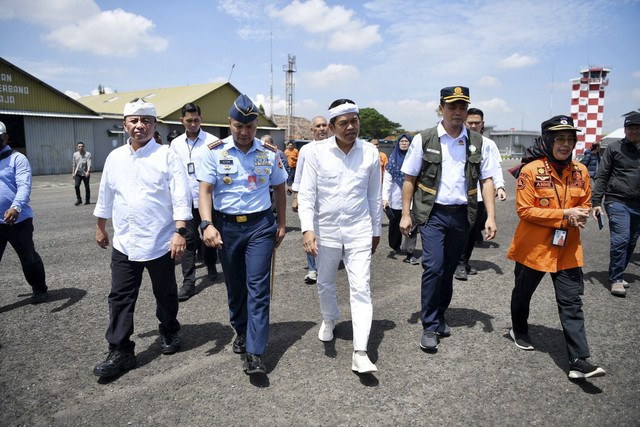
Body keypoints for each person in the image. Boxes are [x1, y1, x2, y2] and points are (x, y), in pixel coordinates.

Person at [92, 99, 192, 379]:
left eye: (146, 121)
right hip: (125, 241)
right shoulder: (115, 158)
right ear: (124, 125)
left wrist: (179, 231)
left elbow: (181, 195)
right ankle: (121, 350)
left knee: (165, 293)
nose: (140, 126)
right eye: (134, 121)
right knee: (120, 297)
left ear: (154, 125)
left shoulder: (166, 155)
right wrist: (101, 226)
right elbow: (106, 195)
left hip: (161, 240)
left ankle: (169, 329)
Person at [399, 86, 499, 351]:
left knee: (449, 268)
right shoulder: (425, 139)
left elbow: (486, 180)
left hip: (462, 216)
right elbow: (409, 179)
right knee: (433, 266)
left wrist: (490, 216)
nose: (458, 112)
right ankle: (429, 325)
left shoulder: (478, 142)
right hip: (432, 214)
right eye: (452, 107)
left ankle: (440, 314)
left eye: (462, 107)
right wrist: (406, 214)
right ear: (441, 108)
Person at [507, 115, 605, 380]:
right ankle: (518, 328)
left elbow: (584, 202)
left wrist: (580, 214)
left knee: (571, 302)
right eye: (560, 139)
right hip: (534, 249)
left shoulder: (581, 171)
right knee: (522, 293)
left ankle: (578, 361)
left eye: (570, 139)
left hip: (568, 250)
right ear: (548, 140)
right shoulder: (531, 170)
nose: (565, 144)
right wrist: (565, 214)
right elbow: (524, 210)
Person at [197, 94, 287, 375]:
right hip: (225, 227)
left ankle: (255, 351)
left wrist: (281, 224)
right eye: (238, 127)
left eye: (249, 127)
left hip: (260, 226)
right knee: (235, 288)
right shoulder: (214, 151)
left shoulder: (270, 153)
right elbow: (205, 191)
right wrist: (206, 224)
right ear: (230, 124)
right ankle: (241, 329)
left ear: (256, 125)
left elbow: (280, 190)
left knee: (258, 290)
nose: (244, 133)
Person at [298, 99, 382, 374]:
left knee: (361, 288)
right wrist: (307, 229)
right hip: (326, 231)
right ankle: (329, 318)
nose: (350, 127)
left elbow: (374, 196)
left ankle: (360, 352)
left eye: (354, 121)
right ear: (332, 127)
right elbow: (307, 195)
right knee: (325, 282)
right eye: (343, 123)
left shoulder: (370, 153)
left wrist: (376, 230)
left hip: (359, 230)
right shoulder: (315, 153)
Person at [170, 103, 220, 301]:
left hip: (209, 201)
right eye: (189, 120)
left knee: (209, 239)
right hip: (186, 201)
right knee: (188, 241)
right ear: (182, 121)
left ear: (201, 119)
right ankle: (189, 283)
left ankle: (210, 263)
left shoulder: (213, 142)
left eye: (196, 120)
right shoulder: (175, 144)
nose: (193, 124)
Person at [592, 112, 640, 297]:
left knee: (632, 241)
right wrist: (596, 202)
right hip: (617, 200)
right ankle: (616, 278)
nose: (634, 131)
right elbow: (602, 175)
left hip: (638, 204)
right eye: (631, 128)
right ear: (625, 130)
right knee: (621, 239)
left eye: (637, 128)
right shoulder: (614, 148)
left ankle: (617, 271)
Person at [455, 108, 507, 280]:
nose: (473, 125)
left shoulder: (488, 144)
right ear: (464, 122)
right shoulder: (456, 141)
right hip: (459, 198)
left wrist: (500, 187)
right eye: (470, 122)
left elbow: (495, 170)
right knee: (460, 232)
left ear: (482, 124)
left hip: (479, 197)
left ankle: (464, 261)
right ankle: (458, 263)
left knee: (473, 232)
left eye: (477, 123)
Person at [0, 121, 48, 304]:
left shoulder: (17, 159)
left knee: (28, 257)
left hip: (18, 220)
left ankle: (40, 288)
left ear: (5, 137)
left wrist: (16, 207)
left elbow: (24, 185)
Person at [291, 116, 329, 284]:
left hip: (329, 198)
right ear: (312, 130)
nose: (322, 128)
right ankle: (313, 269)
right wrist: (296, 197)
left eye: (324, 125)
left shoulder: (335, 147)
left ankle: (326, 265)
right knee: (310, 231)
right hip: (310, 198)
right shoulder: (306, 149)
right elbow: (298, 175)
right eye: (318, 126)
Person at [382, 133, 419, 264]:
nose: (404, 143)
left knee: (412, 224)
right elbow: (387, 181)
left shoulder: (415, 158)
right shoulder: (392, 160)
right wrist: (385, 198)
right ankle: (395, 245)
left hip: (412, 198)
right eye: (401, 141)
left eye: (406, 141)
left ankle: (409, 251)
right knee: (395, 225)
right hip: (395, 198)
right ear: (398, 144)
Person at [72, 141, 92, 206]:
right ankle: (79, 199)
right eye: (79, 146)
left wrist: (88, 171)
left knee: (87, 187)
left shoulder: (88, 154)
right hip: (78, 173)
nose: (81, 147)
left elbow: (89, 164)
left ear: (84, 147)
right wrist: (73, 173)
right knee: (76, 186)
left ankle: (87, 200)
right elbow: (74, 164)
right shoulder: (75, 154)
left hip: (85, 173)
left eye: (82, 146)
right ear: (77, 147)